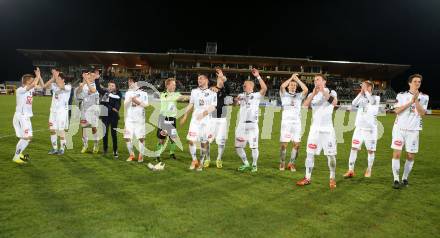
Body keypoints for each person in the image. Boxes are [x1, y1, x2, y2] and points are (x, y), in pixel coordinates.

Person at [296, 74, 338, 190]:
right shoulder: (312, 94)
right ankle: (307, 177)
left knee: (331, 156)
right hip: (314, 129)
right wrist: (314, 93)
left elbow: (334, 103)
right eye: (314, 80)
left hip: (327, 130)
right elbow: (304, 106)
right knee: (309, 154)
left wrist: (323, 92)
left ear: (324, 81)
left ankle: (332, 177)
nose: (316, 82)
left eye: (318, 80)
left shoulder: (331, 92)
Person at [390, 74, 429, 189]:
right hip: (399, 129)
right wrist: (410, 102)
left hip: (413, 130)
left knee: (410, 156)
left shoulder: (425, 97)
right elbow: (397, 110)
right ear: (409, 83)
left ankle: (405, 178)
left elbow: (422, 113)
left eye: (419, 82)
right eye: (415, 81)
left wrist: (416, 100)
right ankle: (396, 179)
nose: (417, 83)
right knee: (396, 154)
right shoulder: (401, 95)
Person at [180, 74, 217, 171]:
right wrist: (185, 116)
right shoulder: (194, 91)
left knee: (203, 143)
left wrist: (204, 114)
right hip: (195, 120)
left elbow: (213, 106)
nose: (198, 80)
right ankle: (194, 160)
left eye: (201, 78)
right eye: (198, 79)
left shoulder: (212, 92)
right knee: (191, 140)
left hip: (206, 120)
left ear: (206, 80)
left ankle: (201, 162)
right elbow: (191, 104)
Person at [343, 80, 380, 178]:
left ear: (370, 87)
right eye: (362, 86)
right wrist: (361, 93)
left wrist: (366, 91)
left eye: (364, 86)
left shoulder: (376, 97)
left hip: (370, 130)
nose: (362, 87)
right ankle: (351, 170)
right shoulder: (362, 97)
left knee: (370, 151)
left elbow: (372, 102)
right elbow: (354, 103)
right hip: (359, 128)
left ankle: (369, 169)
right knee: (354, 148)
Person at [235, 68, 267, 173]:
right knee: (238, 147)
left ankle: (254, 165)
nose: (244, 86)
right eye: (243, 84)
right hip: (241, 125)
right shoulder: (241, 95)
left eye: (246, 84)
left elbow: (264, 88)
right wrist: (236, 101)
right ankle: (246, 164)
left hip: (252, 125)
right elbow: (235, 105)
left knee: (254, 147)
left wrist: (258, 76)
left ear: (251, 86)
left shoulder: (256, 95)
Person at [12, 67, 44, 164]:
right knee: (27, 137)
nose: (33, 81)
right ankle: (16, 156)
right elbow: (34, 84)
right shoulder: (20, 90)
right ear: (26, 81)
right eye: (31, 80)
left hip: (26, 117)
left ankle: (18, 154)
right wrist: (37, 76)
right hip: (21, 116)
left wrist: (40, 76)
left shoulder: (30, 88)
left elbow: (42, 86)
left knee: (26, 138)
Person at [279, 73, 308, 171]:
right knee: (284, 145)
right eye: (291, 85)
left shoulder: (299, 96)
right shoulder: (284, 94)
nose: (293, 86)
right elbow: (282, 86)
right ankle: (282, 162)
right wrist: (291, 77)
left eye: (295, 85)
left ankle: (291, 163)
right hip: (286, 123)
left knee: (297, 145)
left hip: (297, 123)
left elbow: (306, 90)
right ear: (288, 86)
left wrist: (298, 80)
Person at [155, 78, 187, 161]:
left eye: (175, 85)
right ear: (167, 85)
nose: (174, 86)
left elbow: (182, 98)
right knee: (162, 139)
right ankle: (157, 155)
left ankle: (172, 153)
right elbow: (170, 98)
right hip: (163, 119)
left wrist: (192, 97)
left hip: (172, 120)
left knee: (173, 138)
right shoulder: (163, 94)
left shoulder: (176, 94)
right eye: (173, 85)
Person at [94, 70, 122, 159]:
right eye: (109, 85)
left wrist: (111, 108)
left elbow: (117, 106)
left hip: (114, 117)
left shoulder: (118, 93)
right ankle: (105, 150)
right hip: (105, 116)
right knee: (105, 134)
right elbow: (98, 88)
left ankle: (115, 150)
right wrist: (96, 79)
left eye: (112, 86)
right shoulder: (105, 93)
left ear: (115, 87)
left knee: (114, 134)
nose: (110, 87)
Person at [44, 69, 72, 155]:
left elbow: (61, 86)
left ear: (63, 79)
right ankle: (54, 148)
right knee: (52, 130)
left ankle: (62, 149)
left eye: (58, 78)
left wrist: (56, 75)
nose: (56, 80)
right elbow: (45, 86)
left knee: (60, 131)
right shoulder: (54, 86)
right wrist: (53, 78)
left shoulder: (68, 87)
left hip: (62, 112)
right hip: (53, 112)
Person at [207, 67, 230, 168]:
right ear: (216, 80)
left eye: (222, 80)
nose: (220, 81)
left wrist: (222, 76)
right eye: (219, 79)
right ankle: (207, 159)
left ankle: (219, 159)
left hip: (222, 119)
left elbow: (228, 88)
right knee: (207, 140)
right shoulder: (211, 89)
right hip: (211, 118)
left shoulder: (225, 90)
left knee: (221, 141)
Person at [124, 77, 149, 162]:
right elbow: (125, 105)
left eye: (131, 82)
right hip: (129, 119)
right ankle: (131, 155)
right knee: (127, 137)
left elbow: (146, 105)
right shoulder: (128, 93)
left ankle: (141, 155)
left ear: (136, 83)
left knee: (140, 137)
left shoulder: (143, 93)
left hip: (139, 119)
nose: (129, 83)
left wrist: (135, 100)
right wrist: (130, 100)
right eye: (128, 81)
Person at [76, 71, 100, 154]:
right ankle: (85, 145)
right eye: (88, 76)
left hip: (93, 110)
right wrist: (81, 85)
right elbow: (77, 93)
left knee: (93, 128)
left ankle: (96, 144)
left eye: (91, 76)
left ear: (94, 78)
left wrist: (85, 80)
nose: (89, 77)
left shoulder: (95, 85)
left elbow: (93, 90)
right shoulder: (84, 85)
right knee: (84, 128)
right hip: (84, 109)